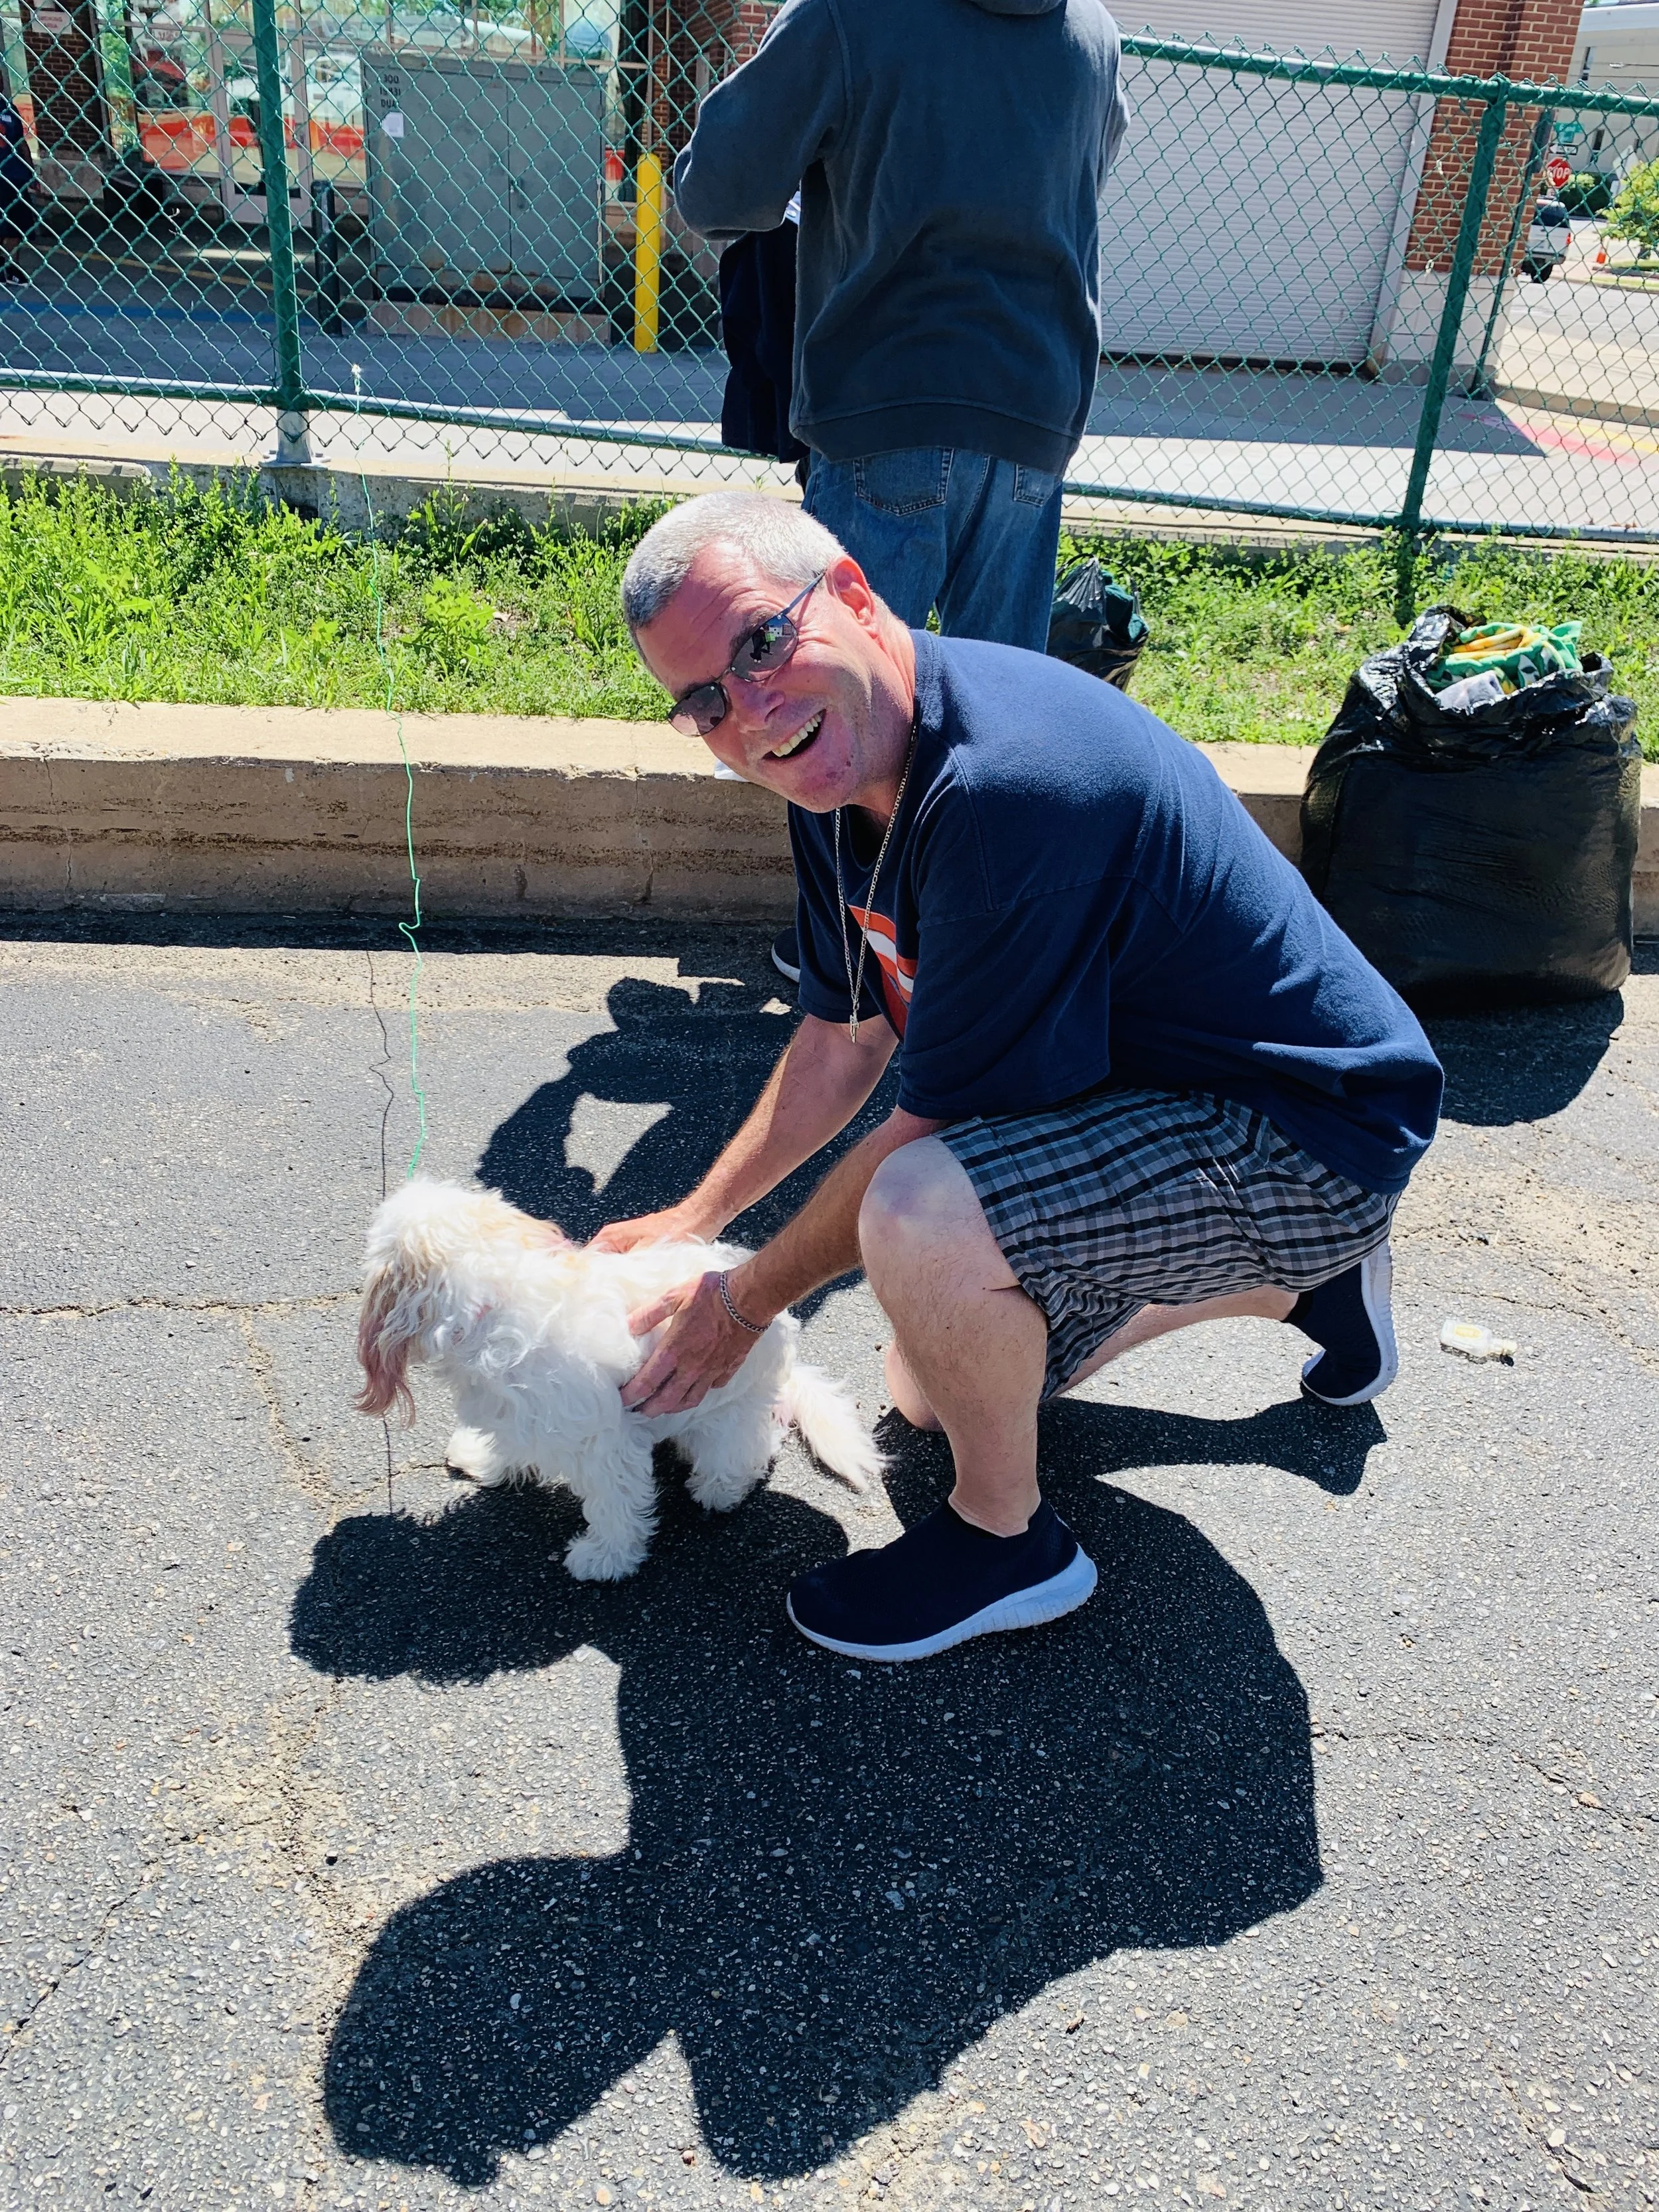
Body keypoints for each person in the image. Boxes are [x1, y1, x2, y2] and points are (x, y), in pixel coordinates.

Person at [593, 492, 1443, 1663]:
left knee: (918, 1216)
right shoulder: (832, 767)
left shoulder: (1003, 792)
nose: (748, 713)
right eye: (703, 701)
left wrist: (740, 1303)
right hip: (1160, 1102)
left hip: (1309, 1132)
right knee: (932, 1389)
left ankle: (1010, 1545)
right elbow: (846, 1038)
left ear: (849, 590)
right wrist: (693, 1221)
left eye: (758, 643)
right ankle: (1314, 1291)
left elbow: (927, 1133)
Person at [673, 0, 1130, 982]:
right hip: (1035, 410)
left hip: (890, 404)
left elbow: (719, 193)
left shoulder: (852, 14)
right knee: (991, 718)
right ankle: (975, 959)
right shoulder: (1089, 29)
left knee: (824, 705)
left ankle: (844, 971)